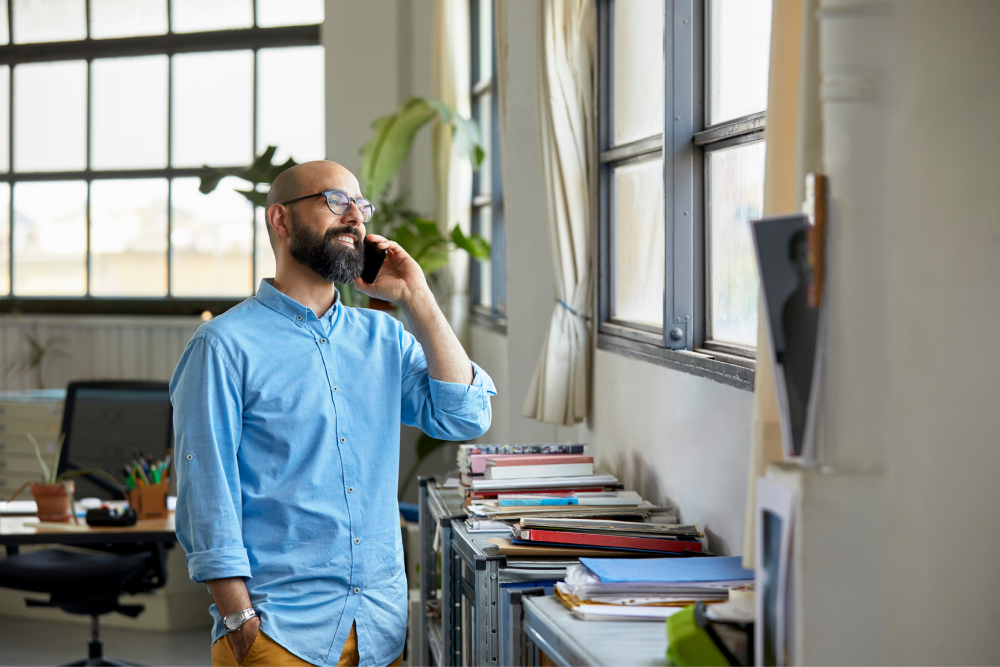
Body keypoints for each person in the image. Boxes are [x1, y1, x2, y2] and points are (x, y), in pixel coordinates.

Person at [170, 160, 495, 667]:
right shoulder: (223, 346)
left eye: (360, 206)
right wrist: (240, 622)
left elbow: (466, 416)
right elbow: (205, 492)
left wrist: (416, 295)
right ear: (280, 219)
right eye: (335, 201)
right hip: (278, 633)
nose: (355, 219)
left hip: (379, 631)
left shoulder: (383, 338)